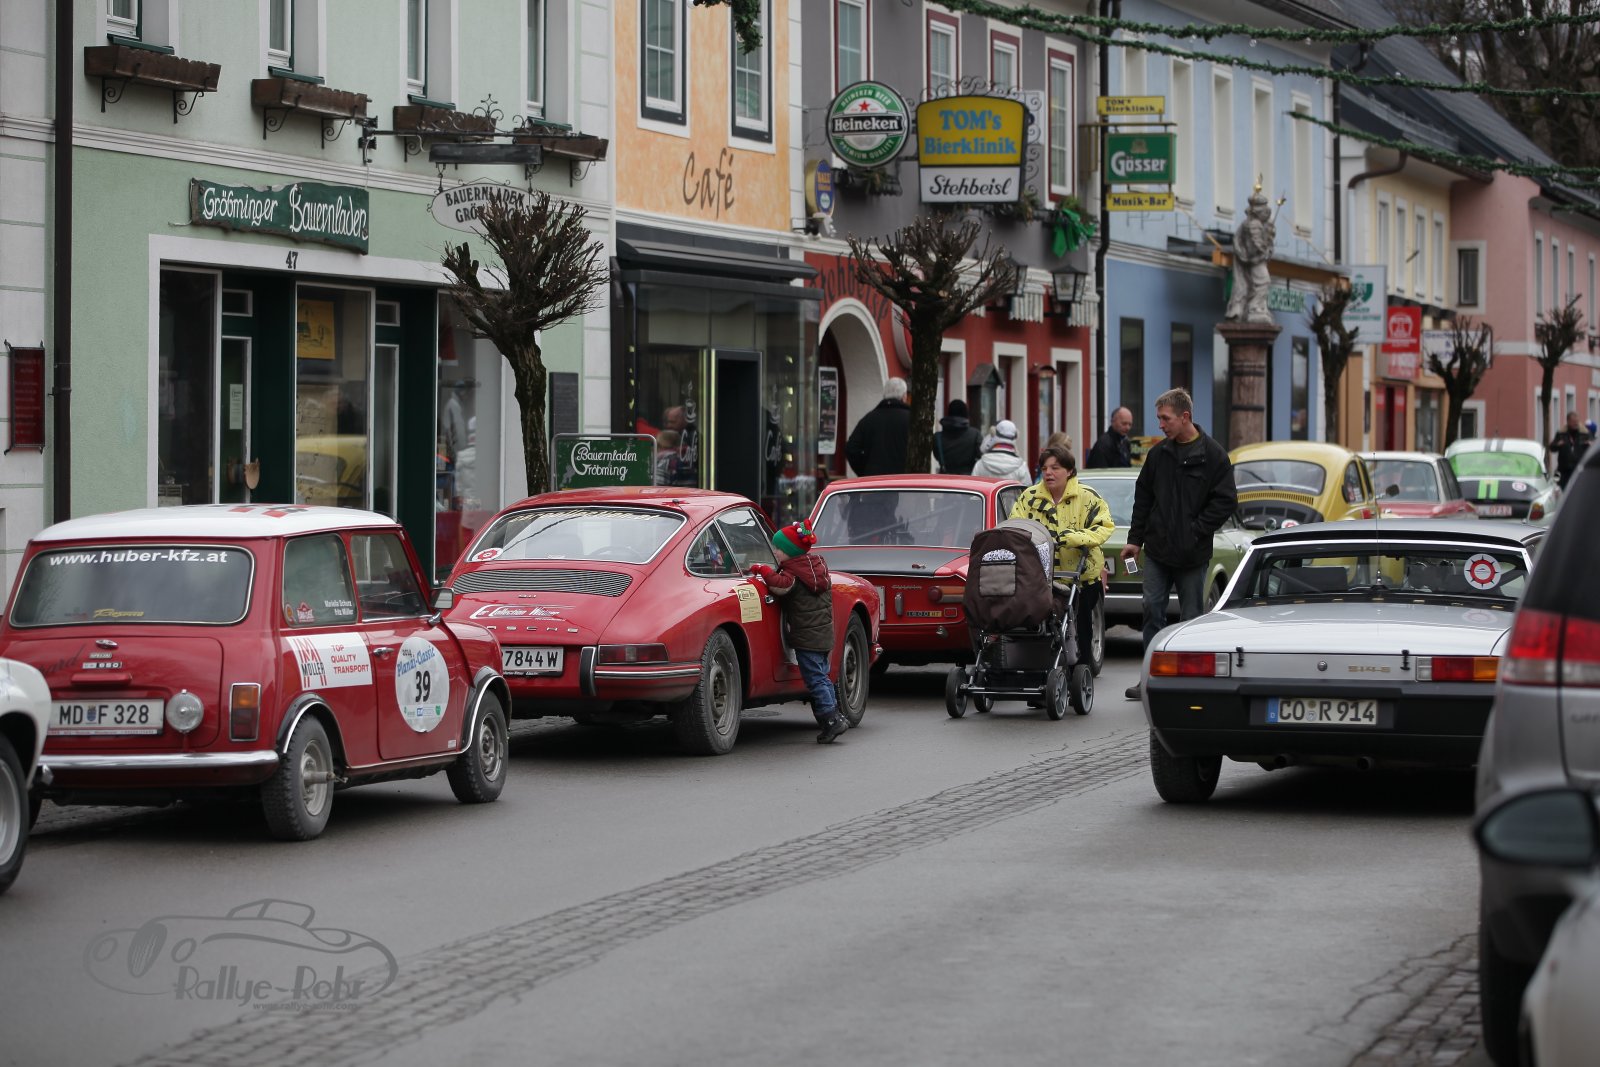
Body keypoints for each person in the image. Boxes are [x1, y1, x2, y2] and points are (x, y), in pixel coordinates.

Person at [1120, 388, 1237, 700]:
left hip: (1193, 554)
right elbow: (1143, 498)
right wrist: (1134, 541)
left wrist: (1197, 529)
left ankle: (1188, 678)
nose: (1160, 425)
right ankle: (1150, 678)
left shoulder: (1213, 455)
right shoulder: (1159, 455)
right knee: (1151, 609)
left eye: (1165, 418)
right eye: (1159, 418)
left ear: (1185, 417)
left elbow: (1226, 501)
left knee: (1191, 616)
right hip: (1157, 550)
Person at [1009, 445, 1114, 669]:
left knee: (1081, 628)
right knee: (1044, 627)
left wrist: (1072, 538)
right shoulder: (1029, 498)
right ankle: (1044, 669)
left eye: (1055, 468)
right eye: (1044, 468)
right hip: (1041, 578)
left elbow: (1104, 527)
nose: (1048, 473)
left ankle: (1080, 671)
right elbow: (1015, 527)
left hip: (1082, 577)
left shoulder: (1087, 497)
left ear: (1069, 471)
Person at [748, 521, 849, 744]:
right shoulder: (816, 567)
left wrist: (762, 570)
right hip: (824, 635)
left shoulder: (793, 574)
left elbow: (779, 586)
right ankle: (836, 715)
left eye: (778, 549)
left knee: (815, 680)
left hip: (807, 638)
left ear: (789, 552)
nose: (775, 552)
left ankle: (831, 720)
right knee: (823, 677)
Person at [1225, 192, 1276, 324]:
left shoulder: (1257, 224)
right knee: (1263, 282)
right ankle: (1254, 308)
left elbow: (1262, 243)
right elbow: (1255, 245)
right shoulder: (1254, 225)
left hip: (1255, 260)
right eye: (1265, 211)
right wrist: (1264, 248)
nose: (1267, 213)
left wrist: (1269, 238)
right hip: (1254, 261)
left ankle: (1257, 308)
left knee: (1258, 284)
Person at [846, 378, 912, 475]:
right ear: (904, 396)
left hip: (875, 480)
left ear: (884, 395)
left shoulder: (869, 419)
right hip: (904, 480)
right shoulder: (912, 420)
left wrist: (865, 471)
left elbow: (851, 448)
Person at [935, 399, 983, 475]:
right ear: (966, 414)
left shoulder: (938, 438)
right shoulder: (975, 435)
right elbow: (981, 456)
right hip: (969, 478)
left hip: (945, 479)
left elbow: (937, 456)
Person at [1548, 410, 1593, 489]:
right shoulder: (1561, 433)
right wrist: (1557, 445)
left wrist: (1590, 444)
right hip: (1563, 469)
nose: (1576, 423)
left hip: (1578, 469)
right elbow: (1552, 448)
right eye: (1573, 422)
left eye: (1577, 421)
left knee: (1578, 489)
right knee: (1562, 489)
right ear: (1568, 421)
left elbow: (1593, 446)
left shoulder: (1585, 433)